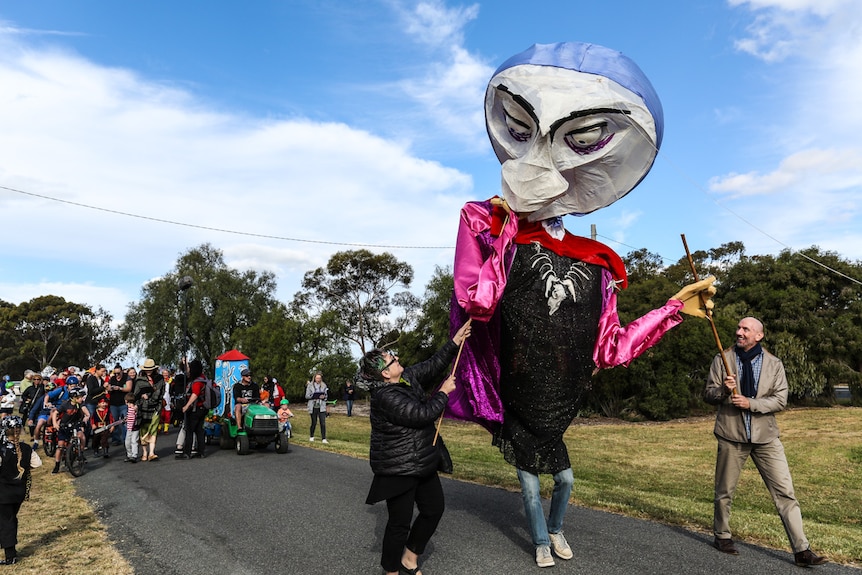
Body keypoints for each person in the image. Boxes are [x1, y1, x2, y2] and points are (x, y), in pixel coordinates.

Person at [704, 317, 827, 567]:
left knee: (785, 492)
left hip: (766, 438)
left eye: (745, 329)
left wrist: (752, 404)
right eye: (739, 328)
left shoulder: (774, 364)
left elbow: (780, 400)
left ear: (759, 336)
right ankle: (722, 535)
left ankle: (802, 550)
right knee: (724, 491)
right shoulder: (722, 359)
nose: (739, 332)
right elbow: (709, 394)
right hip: (731, 435)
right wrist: (724, 392)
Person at [357, 321, 471, 575]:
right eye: (391, 359)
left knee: (434, 509)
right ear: (385, 374)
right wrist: (443, 393)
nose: (397, 358)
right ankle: (391, 571)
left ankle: (409, 559)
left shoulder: (406, 378)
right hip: (398, 467)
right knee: (399, 523)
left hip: (422, 460)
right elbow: (421, 414)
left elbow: (432, 364)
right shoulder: (385, 397)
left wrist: (455, 341)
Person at [0, 416, 42, 565]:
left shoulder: (2, 448)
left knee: (6, 522)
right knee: (10, 518)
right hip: (19, 492)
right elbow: (37, 464)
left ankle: (10, 555)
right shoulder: (25, 448)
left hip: (3, 493)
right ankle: (8, 546)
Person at [50, 389, 89, 474]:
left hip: (75, 424)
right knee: (60, 446)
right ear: (74, 398)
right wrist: (55, 423)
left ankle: (80, 453)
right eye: (79, 397)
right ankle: (57, 465)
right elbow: (55, 413)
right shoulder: (65, 404)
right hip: (65, 425)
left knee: (81, 436)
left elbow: (86, 411)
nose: (81, 399)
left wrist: (86, 416)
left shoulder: (80, 404)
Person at [133, 359, 165, 462]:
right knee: (143, 429)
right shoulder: (139, 380)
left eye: (150, 369)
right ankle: (145, 452)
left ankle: (151, 452)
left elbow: (161, 392)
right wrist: (138, 404)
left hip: (156, 407)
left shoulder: (160, 379)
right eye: (147, 369)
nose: (148, 371)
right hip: (143, 407)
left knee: (153, 428)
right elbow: (136, 394)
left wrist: (150, 398)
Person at [176, 360, 207, 460]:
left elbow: (195, 394)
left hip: (196, 408)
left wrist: (186, 406)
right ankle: (201, 451)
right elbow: (188, 370)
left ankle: (187, 453)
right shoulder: (203, 378)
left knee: (189, 430)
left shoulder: (197, 381)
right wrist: (185, 362)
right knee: (199, 430)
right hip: (203, 408)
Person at [105, 364, 131, 445]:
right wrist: (110, 388)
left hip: (123, 402)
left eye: (118, 373)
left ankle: (125, 438)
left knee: (124, 421)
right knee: (114, 421)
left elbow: (129, 388)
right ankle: (115, 439)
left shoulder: (127, 377)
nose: (117, 375)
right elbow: (108, 388)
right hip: (113, 403)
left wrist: (119, 388)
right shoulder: (112, 378)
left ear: (122, 371)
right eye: (115, 373)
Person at [305, 372, 328, 443]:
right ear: (314, 378)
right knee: (314, 422)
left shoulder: (324, 385)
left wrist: (323, 397)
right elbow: (307, 396)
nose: (318, 379)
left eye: (320, 378)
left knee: (323, 423)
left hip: (321, 406)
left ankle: (323, 438)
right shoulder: (310, 385)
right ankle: (311, 436)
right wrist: (313, 396)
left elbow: (326, 396)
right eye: (317, 378)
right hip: (313, 406)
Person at [123, 393, 140, 463]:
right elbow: (129, 416)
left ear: (126, 401)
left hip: (135, 427)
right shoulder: (128, 409)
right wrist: (126, 419)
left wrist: (136, 408)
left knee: (134, 441)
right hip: (129, 428)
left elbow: (136, 411)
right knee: (127, 442)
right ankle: (129, 455)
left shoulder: (134, 408)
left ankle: (134, 456)